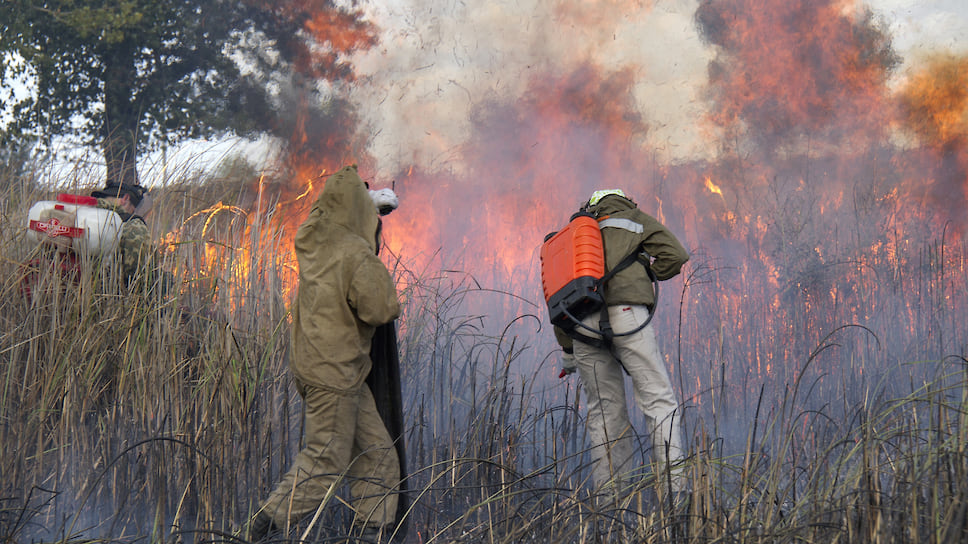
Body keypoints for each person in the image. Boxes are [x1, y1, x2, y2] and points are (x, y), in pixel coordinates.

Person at [249, 165, 402, 543]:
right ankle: (258, 530)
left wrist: (364, 209)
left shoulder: (318, 242)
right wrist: (371, 237)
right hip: (335, 372)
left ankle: (370, 534)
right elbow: (380, 309)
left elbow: (331, 212)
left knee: (379, 459)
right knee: (324, 460)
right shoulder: (354, 253)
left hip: (321, 367)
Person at [554, 189, 689, 504]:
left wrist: (568, 350)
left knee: (605, 413)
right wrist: (646, 275)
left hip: (582, 323)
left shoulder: (573, 235)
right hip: (627, 314)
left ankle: (611, 504)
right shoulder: (633, 217)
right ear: (623, 200)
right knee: (658, 402)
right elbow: (676, 255)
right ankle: (676, 494)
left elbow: (557, 295)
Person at [90, 182, 153, 285]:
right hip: (105, 298)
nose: (132, 213)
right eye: (133, 209)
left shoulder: (79, 212)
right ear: (125, 199)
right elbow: (137, 278)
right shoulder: (133, 225)